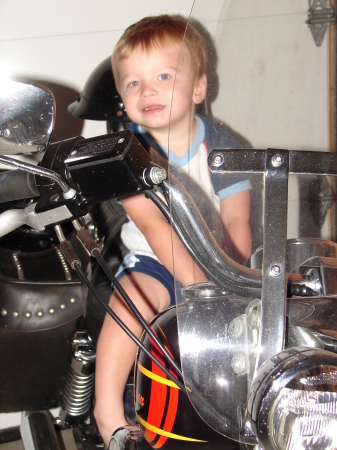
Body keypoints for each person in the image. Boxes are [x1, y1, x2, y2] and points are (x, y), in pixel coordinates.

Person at [94, 14, 252, 449]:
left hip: (216, 263)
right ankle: (107, 410)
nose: (147, 90)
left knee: (258, 324)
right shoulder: (127, 154)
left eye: (164, 76)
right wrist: (197, 284)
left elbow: (238, 221)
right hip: (152, 258)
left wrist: (232, 276)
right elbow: (152, 223)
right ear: (122, 99)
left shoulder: (225, 148)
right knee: (130, 306)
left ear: (199, 87)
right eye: (133, 83)